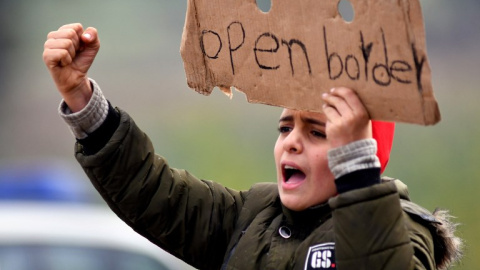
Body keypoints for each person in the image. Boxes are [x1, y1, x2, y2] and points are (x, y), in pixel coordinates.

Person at [43, 23, 462, 270]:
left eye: (318, 133)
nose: (292, 143)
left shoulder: (406, 232)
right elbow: (153, 192)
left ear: (363, 153)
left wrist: (355, 166)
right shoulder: (251, 214)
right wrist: (82, 100)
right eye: (284, 128)